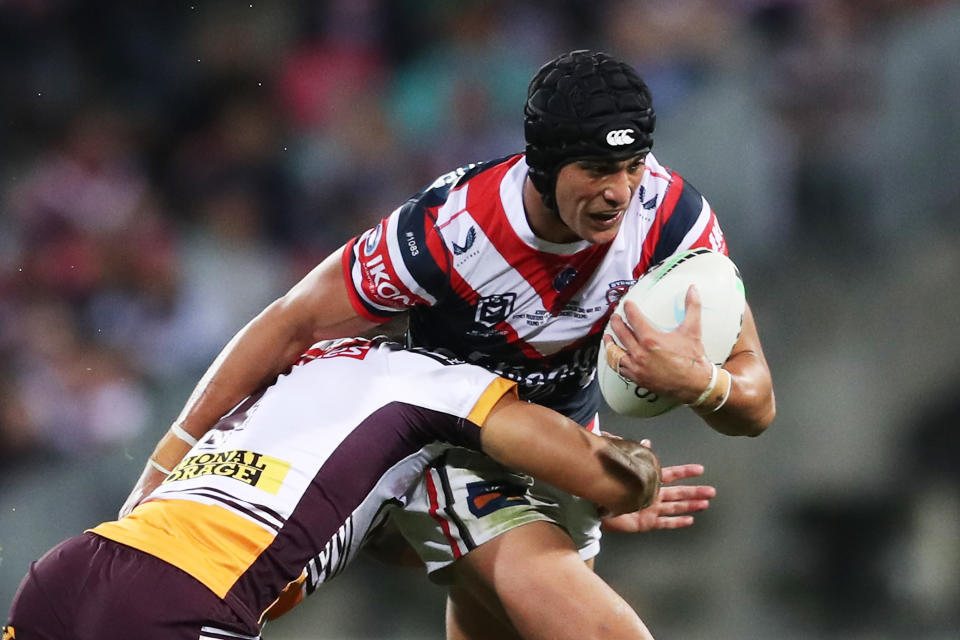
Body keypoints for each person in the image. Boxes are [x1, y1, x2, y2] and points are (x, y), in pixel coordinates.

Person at [120, 49, 774, 638]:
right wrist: (165, 463)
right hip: (455, 449)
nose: (619, 192)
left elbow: (757, 405)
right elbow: (291, 323)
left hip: (568, 455)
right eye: (598, 169)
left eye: (632, 166)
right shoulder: (449, 229)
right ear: (545, 164)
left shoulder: (671, 216)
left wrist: (703, 384)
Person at [5, 336, 673, 640]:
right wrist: (629, 473)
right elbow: (592, 470)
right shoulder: (442, 383)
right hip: (187, 598)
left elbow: (356, 532)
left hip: (76, 569)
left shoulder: (304, 364)